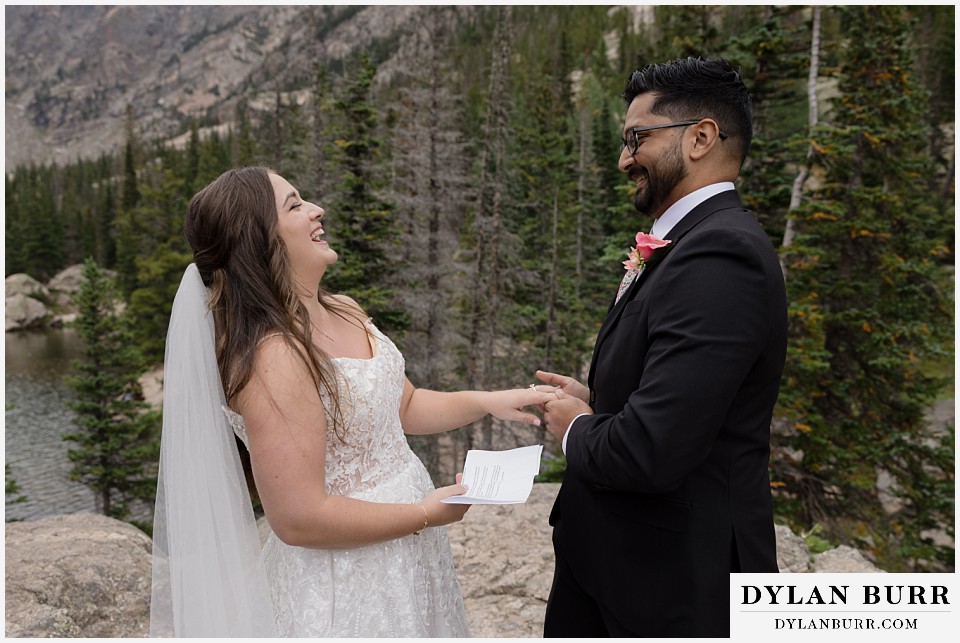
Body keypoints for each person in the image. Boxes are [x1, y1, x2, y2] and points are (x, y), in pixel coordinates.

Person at [149, 166, 554, 637]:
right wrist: (425, 513)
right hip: (347, 580)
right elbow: (299, 519)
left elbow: (402, 407)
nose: (316, 209)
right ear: (260, 239)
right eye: (294, 205)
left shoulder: (343, 308)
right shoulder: (274, 357)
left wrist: (489, 400)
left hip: (408, 552)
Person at [536, 57, 787, 637]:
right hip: (624, 565)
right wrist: (598, 401)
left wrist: (577, 428)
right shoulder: (689, 241)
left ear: (700, 137)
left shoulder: (724, 255)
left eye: (637, 137)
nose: (625, 158)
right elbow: (677, 394)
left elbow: (653, 449)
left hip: (672, 586)